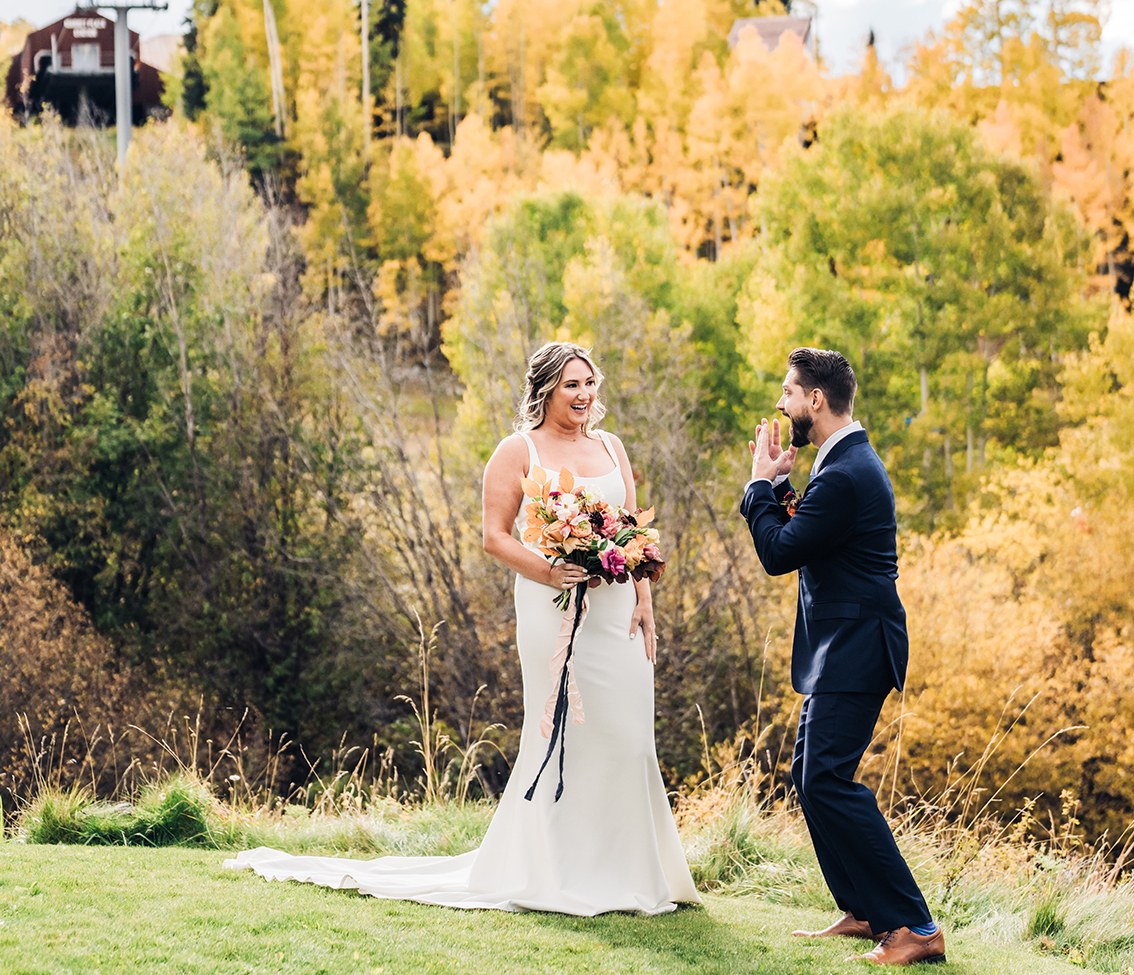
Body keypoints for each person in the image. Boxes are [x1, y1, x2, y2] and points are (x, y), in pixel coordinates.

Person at [225, 341, 699, 916]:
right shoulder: (517, 450)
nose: (584, 395)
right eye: (571, 385)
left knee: (628, 735)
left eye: (589, 382)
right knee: (564, 730)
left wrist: (644, 600)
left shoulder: (611, 446)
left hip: (617, 609)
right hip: (551, 606)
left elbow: (632, 532)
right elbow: (494, 537)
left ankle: (630, 871)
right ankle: (557, 871)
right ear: (546, 390)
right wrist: (551, 572)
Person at [740, 347, 945, 966]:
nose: (781, 403)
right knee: (811, 777)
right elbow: (808, 535)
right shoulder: (842, 463)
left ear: (816, 399)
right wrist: (782, 486)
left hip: (858, 647)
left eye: (788, 392)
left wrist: (759, 487)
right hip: (844, 645)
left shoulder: (847, 473)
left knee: (827, 780)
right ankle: (864, 910)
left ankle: (915, 926)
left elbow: (780, 553)